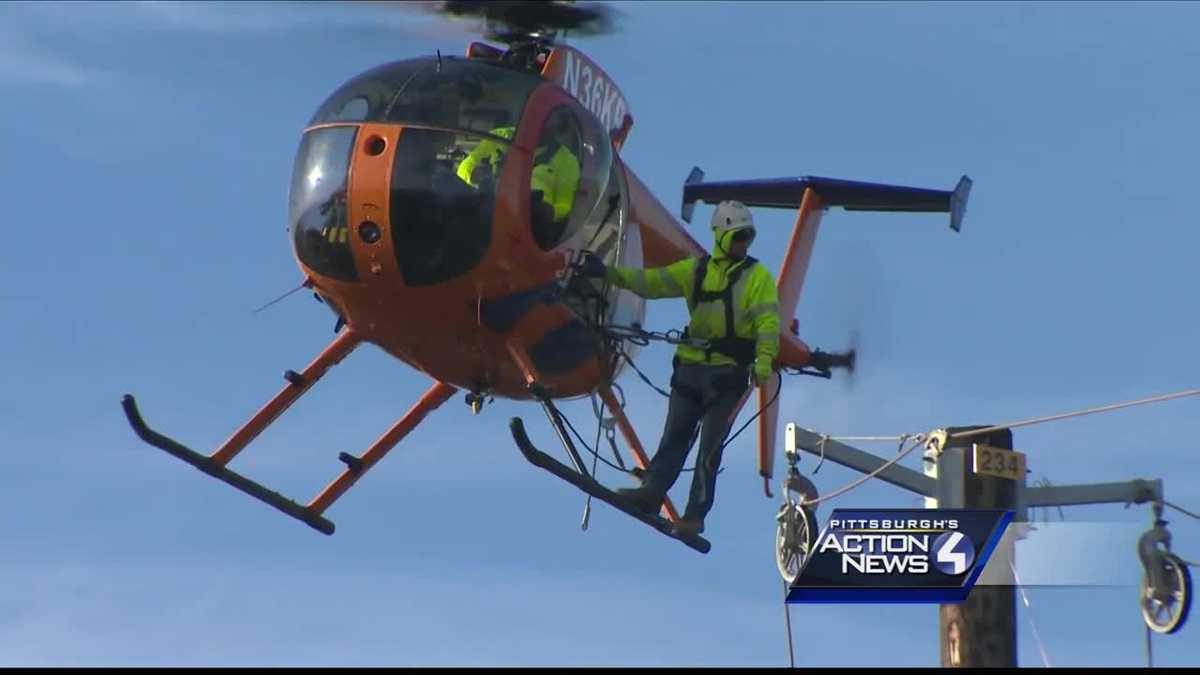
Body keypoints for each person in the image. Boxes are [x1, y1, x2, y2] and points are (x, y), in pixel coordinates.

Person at [577, 201, 780, 538]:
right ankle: (652, 492)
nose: (743, 243)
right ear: (721, 236)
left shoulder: (758, 278)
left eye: (747, 236)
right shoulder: (695, 270)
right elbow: (650, 283)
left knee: (709, 451)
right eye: (737, 236)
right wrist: (609, 273)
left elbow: (769, 322)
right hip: (690, 371)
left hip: (728, 377)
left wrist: (764, 360)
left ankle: (694, 516)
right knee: (674, 438)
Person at [456, 112, 581, 249]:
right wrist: (474, 174)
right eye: (535, 119)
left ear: (558, 129)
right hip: (487, 207)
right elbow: (463, 168)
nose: (539, 126)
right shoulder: (499, 136)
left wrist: (550, 211)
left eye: (547, 123)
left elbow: (566, 205)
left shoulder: (567, 161)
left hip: (530, 224)